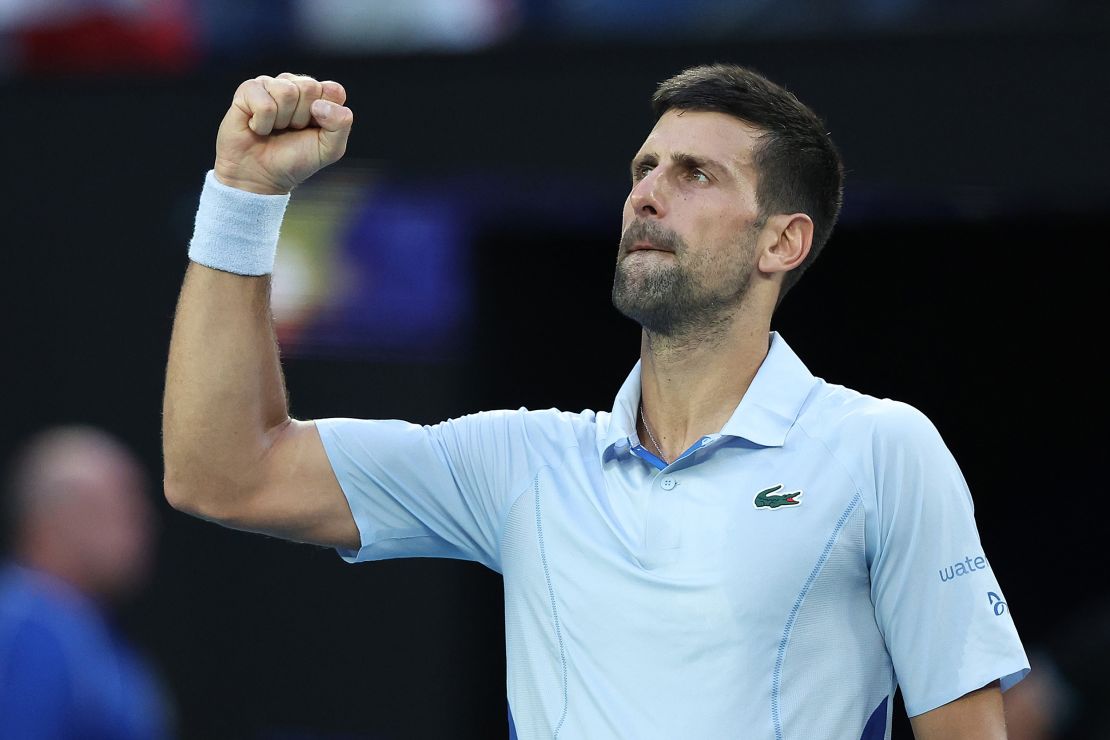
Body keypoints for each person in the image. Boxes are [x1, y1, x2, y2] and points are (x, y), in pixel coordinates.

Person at [163, 65, 1029, 739]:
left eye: (696, 175)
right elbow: (224, 472)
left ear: (783, 241)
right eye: (643, 168)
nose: (648, 192)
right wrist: (244, 195)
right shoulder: (525, 464)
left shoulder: (882, 449)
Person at [0, 426, 170, 739]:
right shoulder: (25, 633)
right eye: (123, 507)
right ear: (57, 520)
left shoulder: (85, 631)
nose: (145, 524)